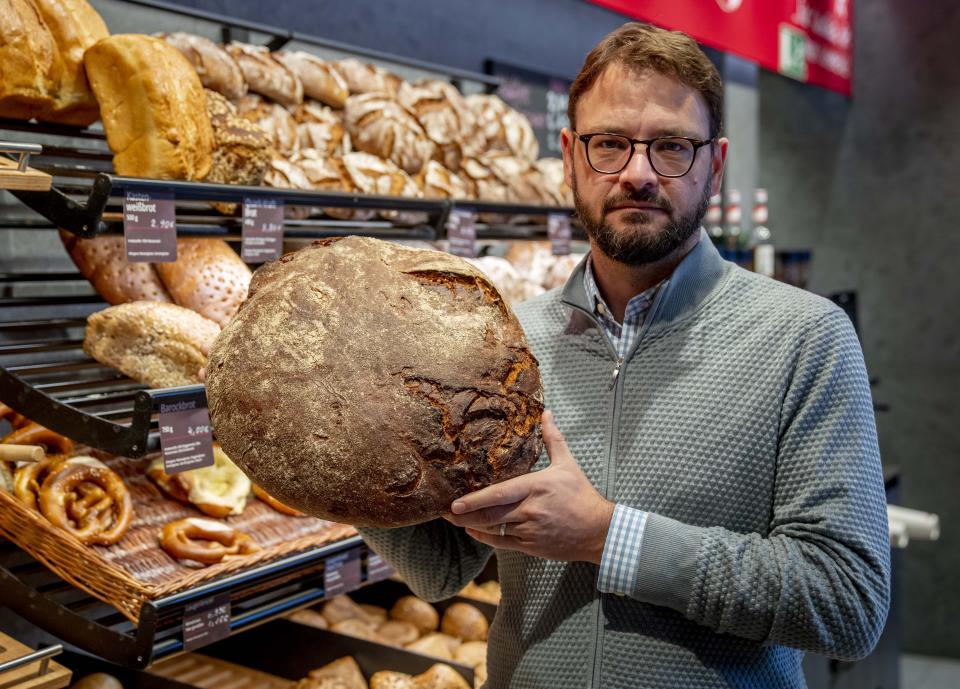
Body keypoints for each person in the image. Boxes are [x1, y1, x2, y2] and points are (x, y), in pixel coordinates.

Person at [360, 22, 889, 689]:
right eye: (610, 143)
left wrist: (608, 536)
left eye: (670, 146)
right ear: (571, 156)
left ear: (715, 164)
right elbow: (441, 564)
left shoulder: (805, 338)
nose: (637, 173)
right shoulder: (505, 342)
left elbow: (848, 601)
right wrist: (338, 436)